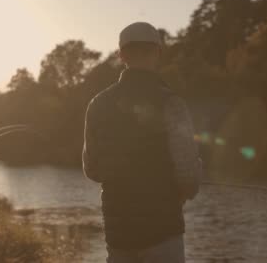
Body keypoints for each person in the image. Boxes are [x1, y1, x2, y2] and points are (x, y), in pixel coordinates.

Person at [83, 22, 201, 263]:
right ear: (157, 53)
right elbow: (188, 175)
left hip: (119, 235)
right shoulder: (172, 103)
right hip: (163, 231)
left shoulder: (98, 104)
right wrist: (185, 190)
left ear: (121, 55)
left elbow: (92, 169)